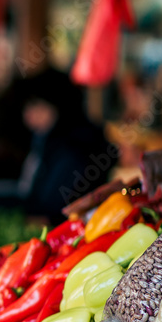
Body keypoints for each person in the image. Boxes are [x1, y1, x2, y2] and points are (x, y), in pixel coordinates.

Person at [15, 67, 114, 223]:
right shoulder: (47, 141)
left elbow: (51, 207)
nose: (28, 115)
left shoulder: (72, 150)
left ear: (56, 107)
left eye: (36, 106)